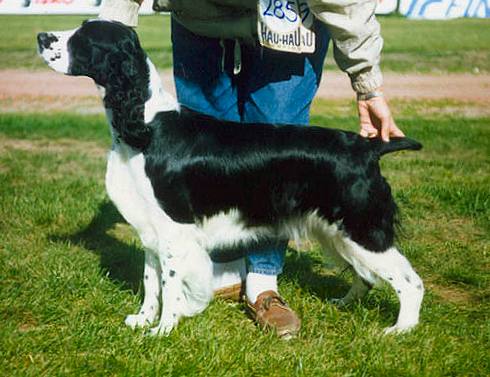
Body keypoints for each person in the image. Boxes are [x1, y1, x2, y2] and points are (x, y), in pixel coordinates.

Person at [99, 0, 405, 339]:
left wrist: (366, 80)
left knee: (280, 150)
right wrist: (113, 27)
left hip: (289, 20)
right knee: (204, 155)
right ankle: (225, 272)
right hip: (198, 18)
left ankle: (263, 280)